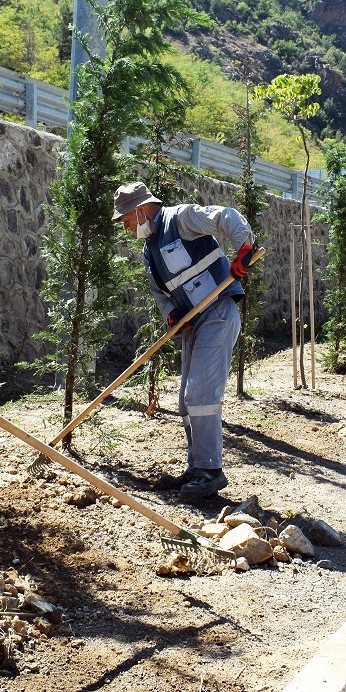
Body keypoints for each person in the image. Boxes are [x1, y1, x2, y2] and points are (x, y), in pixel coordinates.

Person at [113, 181, 256, 499]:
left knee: (200, 394)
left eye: (126, 219)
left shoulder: (181, 218)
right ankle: (197, 468)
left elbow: (225, 216)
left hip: (217, 312)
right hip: (193, 322)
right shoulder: (149, 249)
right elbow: (159, 293)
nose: (126, 227)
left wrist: (243, 247)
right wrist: (172, 314)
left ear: (140, 210)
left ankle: (210, 472)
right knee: (186, 401)